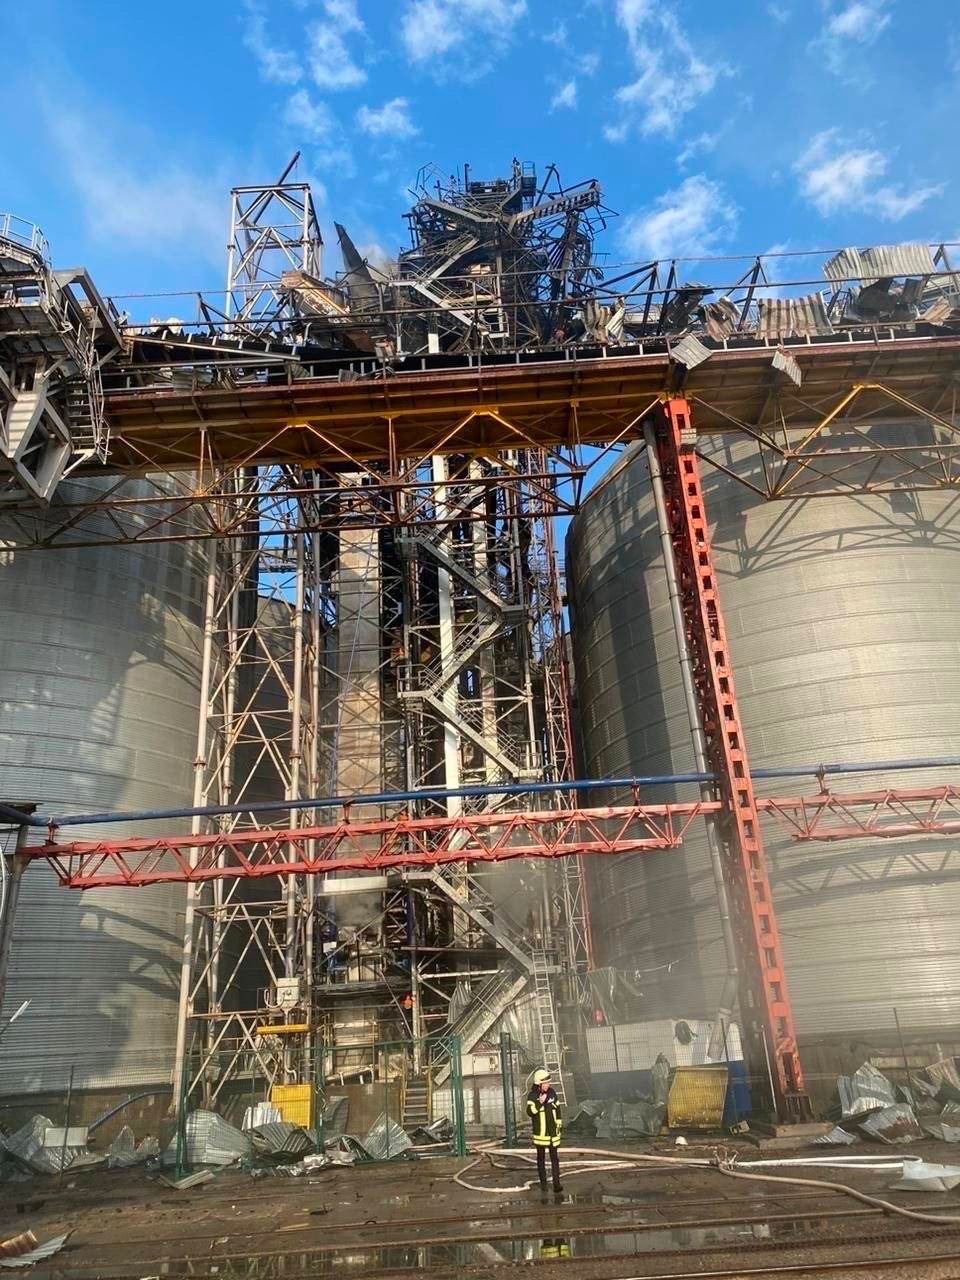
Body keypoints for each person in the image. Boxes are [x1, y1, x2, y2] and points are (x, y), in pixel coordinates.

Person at [526, 1068, 563, 1193]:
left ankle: (557, 1184)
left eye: (548, 1082)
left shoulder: (552, 1093)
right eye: (545, 1083)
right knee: (541, 1158)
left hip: (553, 1133)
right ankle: (544, 1184)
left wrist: (559, 1125)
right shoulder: (532, 1096)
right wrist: (539, 1103)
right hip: (541, 1134)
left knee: (555, 1158)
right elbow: (530, 1112)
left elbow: (558, 1109)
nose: (548, 1085)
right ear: (539, 1084)